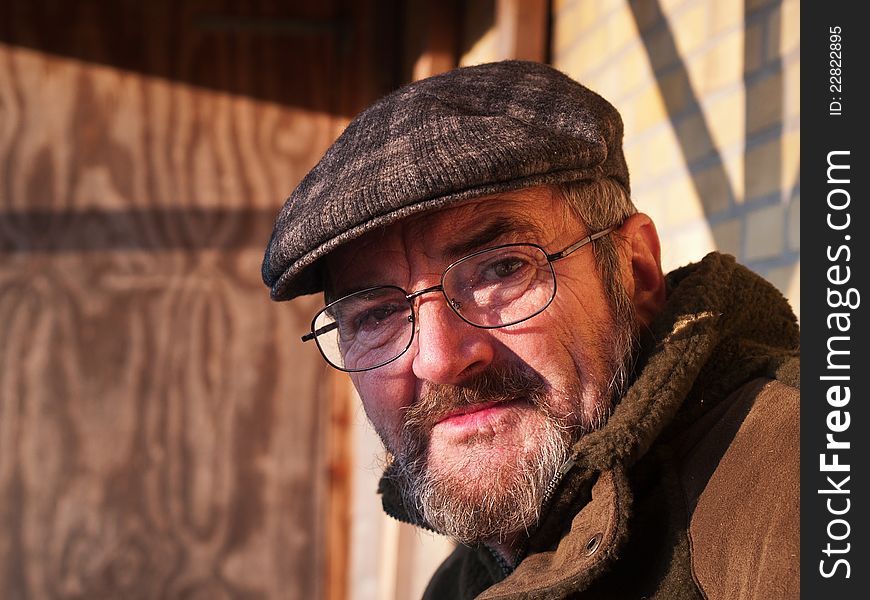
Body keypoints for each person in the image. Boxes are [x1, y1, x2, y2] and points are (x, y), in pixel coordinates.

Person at [262, 61, 800, 599]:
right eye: (376, 314)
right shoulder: (457, 587)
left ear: (636, 270)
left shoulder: (797, 485)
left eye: (502, 269)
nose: (440, 359)